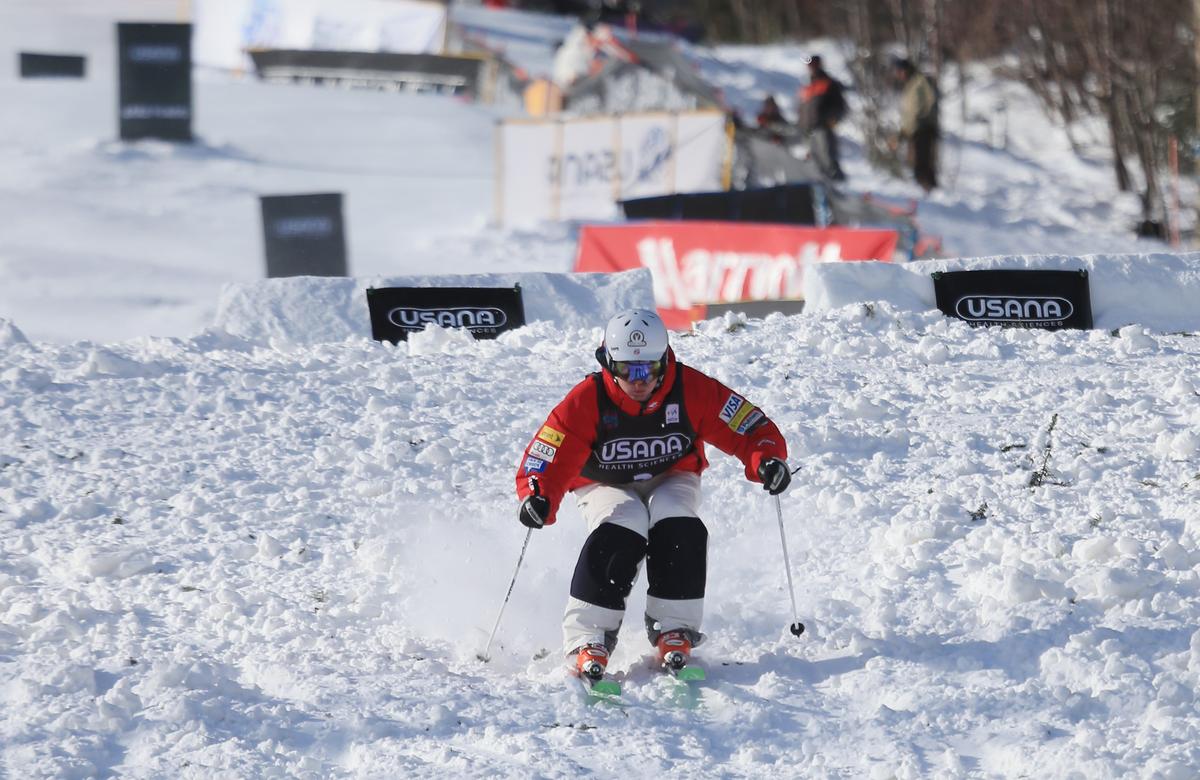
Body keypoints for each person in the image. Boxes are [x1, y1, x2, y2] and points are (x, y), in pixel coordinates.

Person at [514, 309, 792, 680]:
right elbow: (548, 454)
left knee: (678, 519)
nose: (639, 381)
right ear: (607, 363)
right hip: (604, 483)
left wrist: (767, 459)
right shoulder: (587, 399)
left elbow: (749, 426)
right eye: (627, 370)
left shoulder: (691, 389)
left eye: (650, 369)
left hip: (671, 475)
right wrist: (538, 494)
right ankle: (588, 636)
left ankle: (674, 626)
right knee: (625, 521)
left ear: (665, 361)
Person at [890, 57, 939, 192]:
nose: (899, 75)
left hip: (924, 129)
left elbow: (927, 103)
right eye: (897, 72)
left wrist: (924, 118)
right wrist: (902, 134)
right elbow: (909, 114)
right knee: (917, 165)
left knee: (922, 165)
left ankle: (930, 193)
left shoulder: (920, 82)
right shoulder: (910, 86)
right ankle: (926, 193)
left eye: (900, 71)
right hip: (914, 131)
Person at [797, 55, 847, 181]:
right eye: (809, 65)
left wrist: (830, 120)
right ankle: (821, 185)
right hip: (808, 131)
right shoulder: (807, 86)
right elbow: (802, 108)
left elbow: (840, 107)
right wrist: (801, 125)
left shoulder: (828, 83)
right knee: (814, 161)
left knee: (828, 159)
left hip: (823, 128)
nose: (811, 68)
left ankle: (838, 184)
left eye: (813, 65)